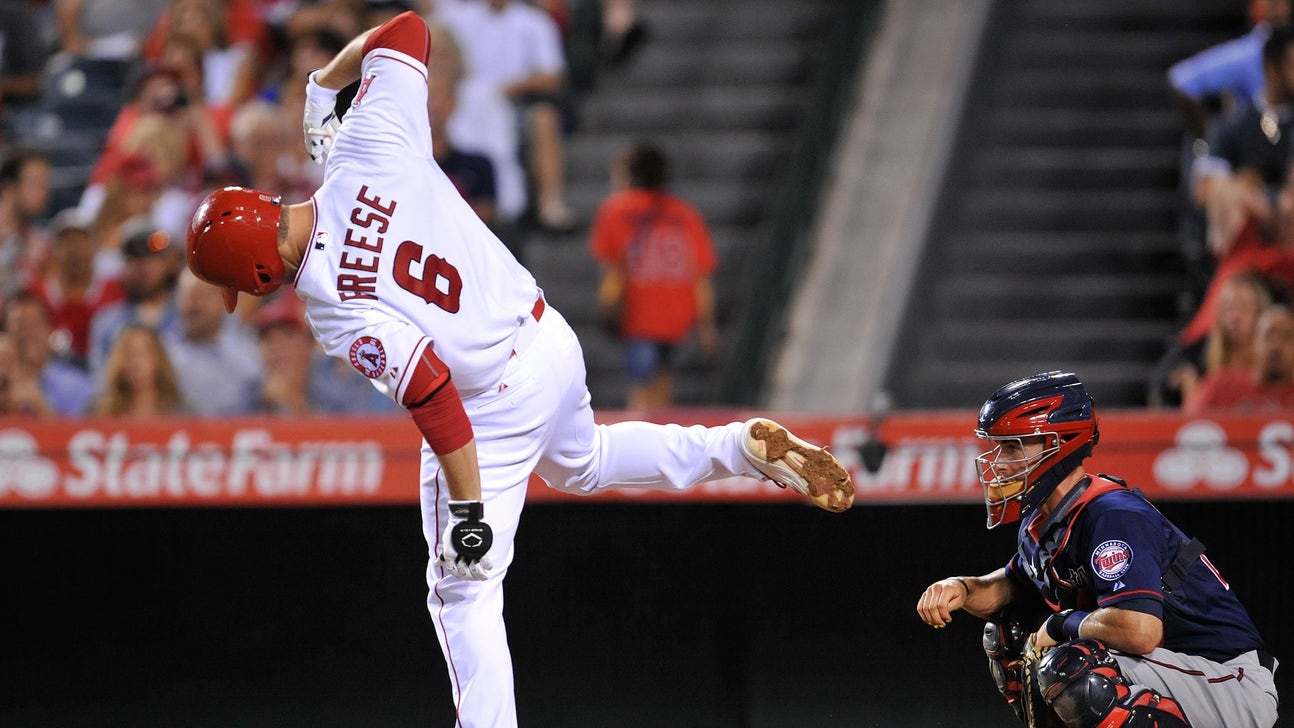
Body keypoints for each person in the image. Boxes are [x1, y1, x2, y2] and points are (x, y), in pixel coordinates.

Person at [184, 12, 854, 726]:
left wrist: (469, 512)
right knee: (585, 462)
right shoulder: (360, 147)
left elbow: (433, 392)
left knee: (464, 590)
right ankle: (735, 446)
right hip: (546, 339)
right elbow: (407, 31)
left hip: (488, 403)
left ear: (254, 273)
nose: (247, 297)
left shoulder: (329, 303)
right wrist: (323, 86)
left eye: (240, 286)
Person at [916, 371, 1278, 728]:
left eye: (1011, 447)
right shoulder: (1042, 519)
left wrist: (1060, 623)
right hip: (1174, 671)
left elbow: (1140, 631)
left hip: (1229, 681)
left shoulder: (1113, 515)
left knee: (1074, 666)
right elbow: (1012, 586)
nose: (998, 462)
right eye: (997, 448)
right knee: (1007, 632)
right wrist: (961, 588)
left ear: (1060, 443)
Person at [589, 140, 718, 409]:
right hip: (677, 314)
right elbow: (701, 274)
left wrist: (606, 302)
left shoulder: (616, 210)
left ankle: (638, 440)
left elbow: (612, 268)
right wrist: (706, 326)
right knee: (661, 380)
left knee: (641, 385)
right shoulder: (685, 213)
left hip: (639, 313)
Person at [1184, 302, 1294, 412]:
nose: (1276, 345)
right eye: (1268, 335)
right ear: (1254, 341)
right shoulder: (1220, 387)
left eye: (1287, 336)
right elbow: (1187, 421)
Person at [1, 291, 95, 416]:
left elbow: (83, 432)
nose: (27, 334)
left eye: (33, 324)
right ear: (5, 332)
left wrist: (42, 408)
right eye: (19, 325)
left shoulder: (75, 385)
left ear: (49, 329)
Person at [91, 322, 187, 416]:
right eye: (128, 353)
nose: (135, 362)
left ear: (159, 359)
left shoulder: (182, 413)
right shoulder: (98, 412)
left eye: (143, 353)